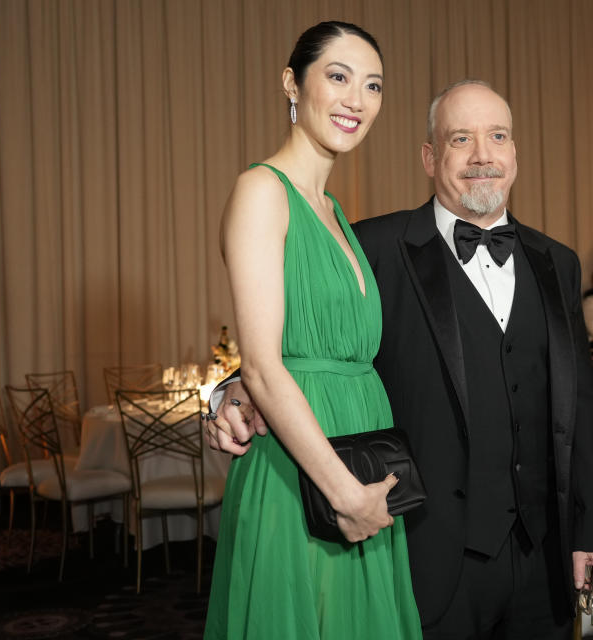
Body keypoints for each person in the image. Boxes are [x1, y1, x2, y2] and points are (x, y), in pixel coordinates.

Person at [207, 80, 593, 639]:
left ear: (515, 153)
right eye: (460, 139)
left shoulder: (559, 262)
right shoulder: (370, 245)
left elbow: (581, 409)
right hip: (426, 551)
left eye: (497, 137)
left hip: (542, 561)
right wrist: (234, 388)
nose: (482, 156)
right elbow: (305, 337)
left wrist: (591, 529)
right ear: (429, 156)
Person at [202, 21, 421, 639]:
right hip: (305, 477)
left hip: (358, 466)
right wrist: (344, 495)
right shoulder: (261, 191)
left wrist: (360, 494)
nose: (357, 99)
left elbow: (307, 349)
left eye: (373, 85)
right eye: (339, 76)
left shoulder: (334, 213)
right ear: (291, 84)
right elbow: (265, 365)